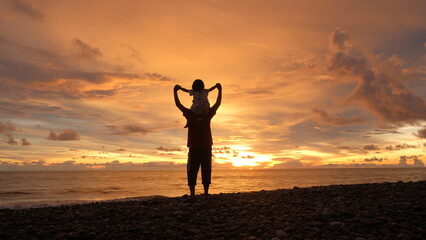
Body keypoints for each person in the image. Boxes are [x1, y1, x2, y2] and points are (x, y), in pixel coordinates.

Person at [174, 80, 222, 198]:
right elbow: (218, 103)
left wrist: (175, 92)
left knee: (192, 169)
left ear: (194, 101)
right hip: (206, 146)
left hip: (194, 147)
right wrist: (220, 90)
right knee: (206, 169)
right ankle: (205, 193)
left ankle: (192, 194)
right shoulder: (208, 114)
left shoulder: (190, 114)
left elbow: (178, 105)